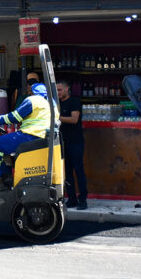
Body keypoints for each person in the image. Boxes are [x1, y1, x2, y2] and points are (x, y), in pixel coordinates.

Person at [0, 82, 54, 190]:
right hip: (42, 138)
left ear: (32, 92)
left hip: (30, 135)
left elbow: (14, 117)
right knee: (2, 147)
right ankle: (7, 177)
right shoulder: (51, 103)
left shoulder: (33, 100)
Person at [57, 80, 88, 210]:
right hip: (62, 142)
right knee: (67, 172)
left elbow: (74, 119)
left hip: (75, 141)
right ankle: (72, 198)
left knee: (78, 170)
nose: (58, 92)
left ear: (67, 89)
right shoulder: (57, 103)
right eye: (56, 90)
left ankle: (82, 199)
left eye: (60, 90)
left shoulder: (74, 101)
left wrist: (57, 118)